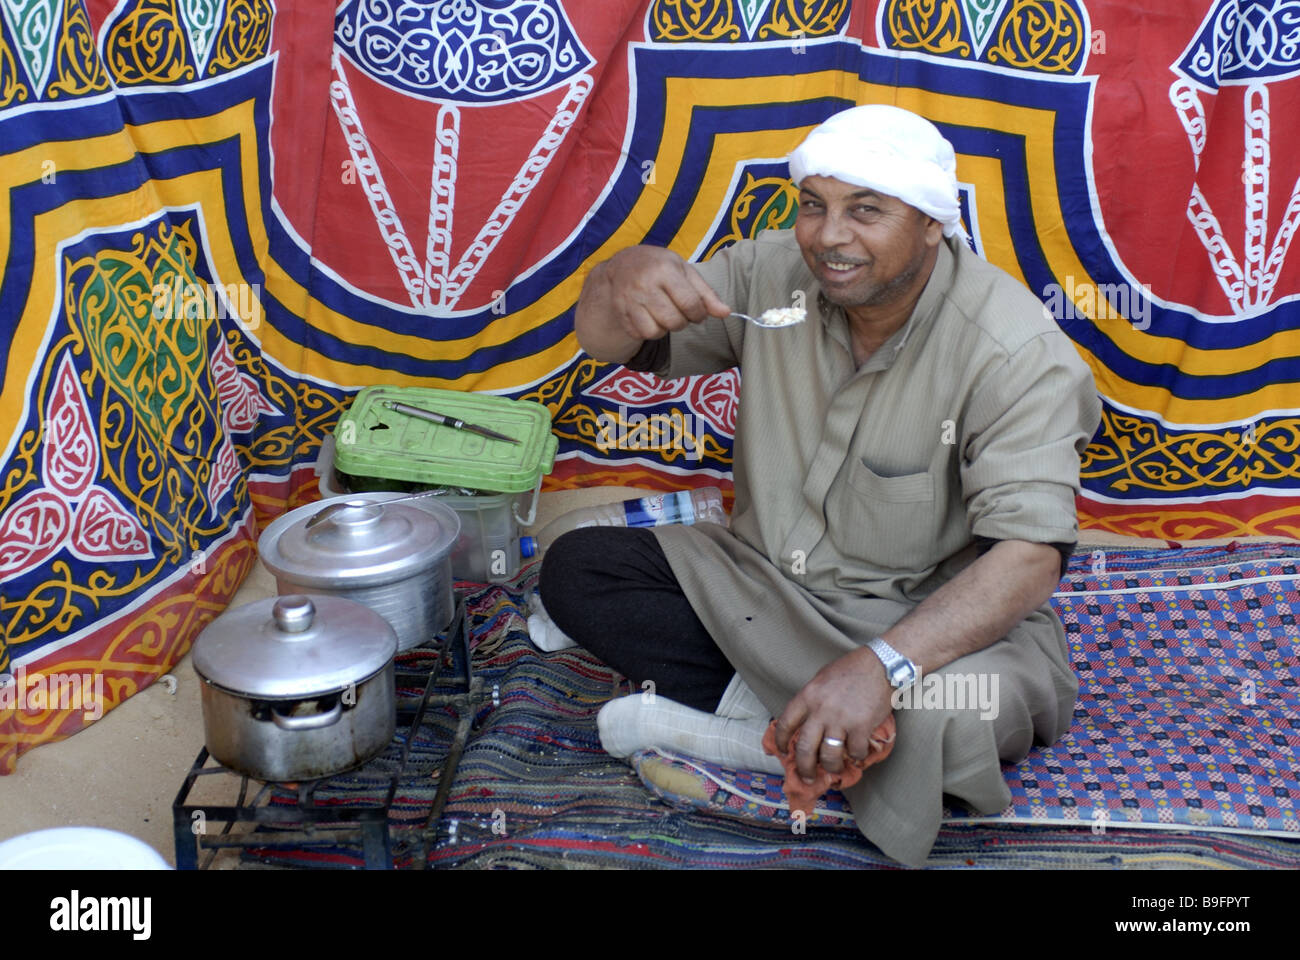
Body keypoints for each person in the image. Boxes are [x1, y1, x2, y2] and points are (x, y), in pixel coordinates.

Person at [538, 104, 1102, 866]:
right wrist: (614, 281)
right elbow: (612, 339)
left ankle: (749, 733)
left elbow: (1030, 556)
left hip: (922, 627)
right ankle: (816, 732)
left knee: (959, 717)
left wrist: (881, 668)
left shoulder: (1015, 354)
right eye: (814, 205)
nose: (829, 236)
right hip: (764, 588)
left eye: (865, 211)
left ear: (932, 224)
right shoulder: (773, 275)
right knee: (579, 568)